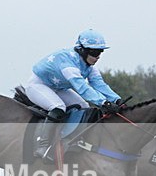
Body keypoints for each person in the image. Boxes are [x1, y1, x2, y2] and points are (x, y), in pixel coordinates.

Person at [25, 29, 123, 162]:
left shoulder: (89, 67)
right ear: (82, 50)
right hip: (38, 86)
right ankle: (42, 145)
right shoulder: (67, 63)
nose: (98, 56)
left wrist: (116, 100)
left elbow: (100, 84)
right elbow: (82, 88)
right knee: (59, 107)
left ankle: (72, 139)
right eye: (94, 52)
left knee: (84, 107)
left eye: (100, 52)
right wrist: (103, 103)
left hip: (58, 88)